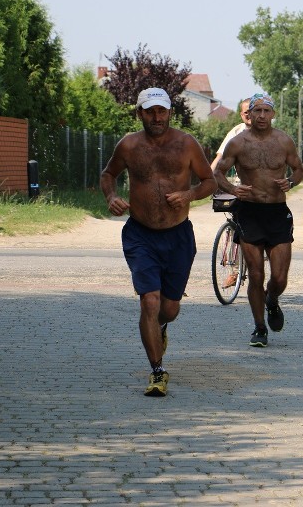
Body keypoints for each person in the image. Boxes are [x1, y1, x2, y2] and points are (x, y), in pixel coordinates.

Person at [100, 87, 216, 397]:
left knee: (170, 309)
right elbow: (107, 174)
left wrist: (190, 194)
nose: (156, 117)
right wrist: (111, 196)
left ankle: (161, 328)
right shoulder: (129, 145)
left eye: (161, 111)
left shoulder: (186, 144)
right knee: (149, 300)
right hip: (140, 233)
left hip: (178, 235)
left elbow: (210, 180)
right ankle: (157, 371)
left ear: (170, 113)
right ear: (139, 113)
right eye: (150, 111)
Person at [212, 93, 303, 347]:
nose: (262, 116)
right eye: (257, 111)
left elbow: (299, 169)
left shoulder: (284, 141)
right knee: (255, 273)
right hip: (249, 211)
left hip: (277, 211)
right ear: (249, 115)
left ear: (273, 114)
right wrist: (232, 189)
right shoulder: (238, 143)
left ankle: (272, 300)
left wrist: (291, 182)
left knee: (280, 277)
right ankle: (259, 327)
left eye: (266, 111)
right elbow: (217, 173)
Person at [210, 97, 251, 173]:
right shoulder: (236, 132)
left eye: (253, 111)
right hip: (243, 182)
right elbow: (220, 158)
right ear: (241, 115)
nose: (250, 115)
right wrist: (208, 179)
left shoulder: (272, 134)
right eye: (246, 112)